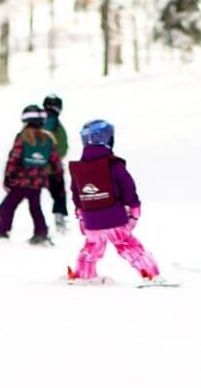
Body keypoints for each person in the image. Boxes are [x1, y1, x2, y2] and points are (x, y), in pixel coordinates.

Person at [66, 120, 164, 285]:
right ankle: (151, 275)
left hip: (91, 220)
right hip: (115, 218)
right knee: (128, 246)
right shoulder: (114, 165)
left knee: (91, 248)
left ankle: (84, 275)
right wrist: (134, 209)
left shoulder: (79, 168)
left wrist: (81, 215)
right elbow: (128, 188)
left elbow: (76, 194)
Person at [0, 105, 56, 244]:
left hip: (21, 181)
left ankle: (2, 233)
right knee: (35, 207)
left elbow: (14, 159)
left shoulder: (22, 137)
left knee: (9, 206)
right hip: (37, 182)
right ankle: (41, 233)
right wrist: (51, 177)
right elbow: (54, 161)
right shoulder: (48, 139)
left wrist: (8, 177)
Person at [42, 94, 71, 233]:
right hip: (52, 170)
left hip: (31, 169)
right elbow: (63, 148)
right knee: (59, 194)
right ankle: (59, 219)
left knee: (18, 194)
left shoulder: (35, 122)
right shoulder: (58, 126)